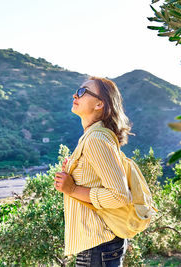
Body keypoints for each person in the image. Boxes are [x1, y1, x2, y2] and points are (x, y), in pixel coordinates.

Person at [54, 77, 133, 266]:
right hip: (99, 245)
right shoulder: (93, 136)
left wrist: (72, 189)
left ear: (100, 104)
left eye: (82, 92)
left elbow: (120, 196)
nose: (75, 94)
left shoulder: (96, 139)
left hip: (99, 246)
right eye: (77, 90)